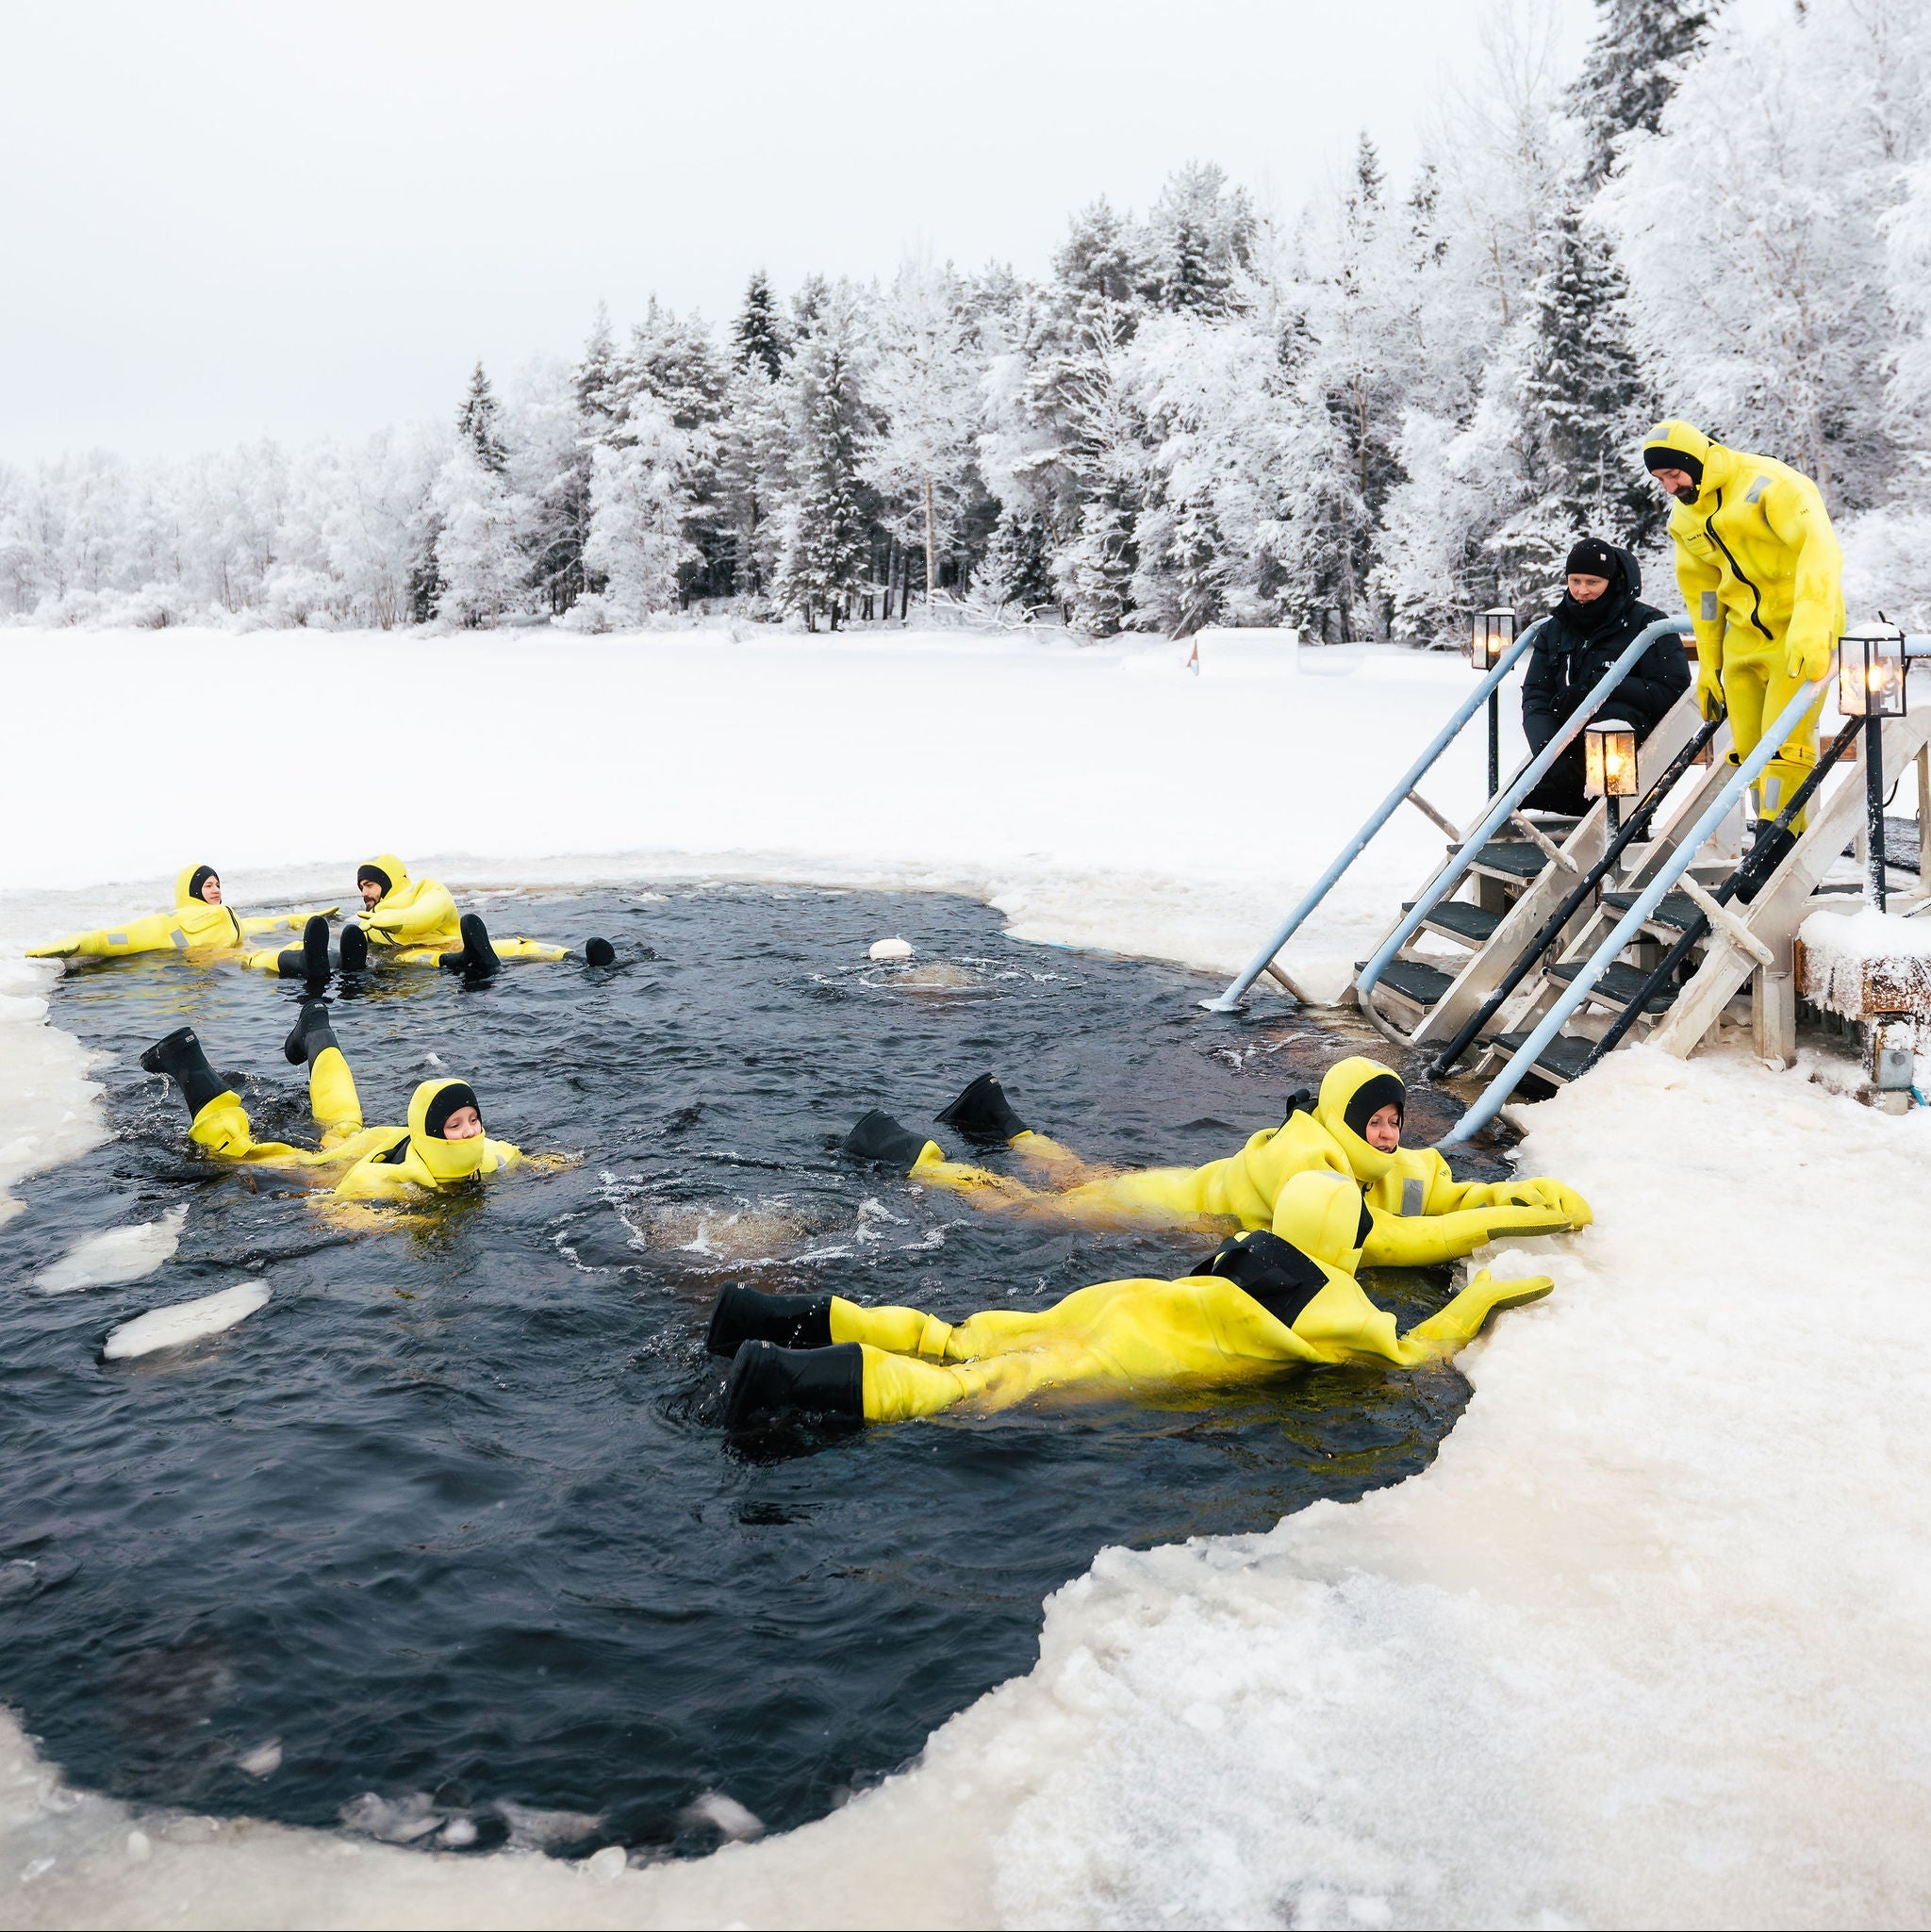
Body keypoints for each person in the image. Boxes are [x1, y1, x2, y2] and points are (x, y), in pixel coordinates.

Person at [708, 1166, 1556, 1425]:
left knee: (962, 1335)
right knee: (984, 1387)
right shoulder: (1345, 1309)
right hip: (1140, 1349)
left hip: (1122, 1301)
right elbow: (1416, 1349)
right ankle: (782, 1378)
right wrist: (1486, 1298)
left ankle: (765, 1314)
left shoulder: (1250, 1245)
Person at [838, 1058, 1589, 1269]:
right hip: (1175, 1207)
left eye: (1397, 1120)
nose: (1391, 1135)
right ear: (1350, 1119)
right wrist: (1492, 1229)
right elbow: (1383, 1242)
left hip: (1195, 1198)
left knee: (1083, 1178)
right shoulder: (1310, 1160)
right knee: (1036, 1209)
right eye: (1379, 1121)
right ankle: (914, 1155)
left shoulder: (1359, 1146)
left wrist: (1512, 1197)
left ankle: (998, 1119)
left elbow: (1436, 1185)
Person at [1642, 420, 1844, 839]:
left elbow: (1819, 549)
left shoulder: (1772, 483)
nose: (1669, 487)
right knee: (1749, 748)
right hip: (1742, 639)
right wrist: (1710, 663)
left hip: (1797, 631)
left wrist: (1810, 621)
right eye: (1660, 480)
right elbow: (1705, 596)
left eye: (1673, 474)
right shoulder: (1685, 517)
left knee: (1786, 743)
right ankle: (1764, 834)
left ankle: (1777, 841)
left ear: (1695, 462)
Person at [139, 1001, 523, 1199]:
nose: (469, 1131)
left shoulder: (486, 1151)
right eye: (454, 1125)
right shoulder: (388, 1179)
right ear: (432, 1131)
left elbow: (517, 1156)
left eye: (473, 1120)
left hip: (379, 1143)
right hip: (338, 1167)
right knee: (237, 1155)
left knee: (344, 1123)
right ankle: (186, 1059)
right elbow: (330, 1208)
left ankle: (317, 1029)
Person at [1519, 537, 1687, 815]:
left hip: (1624, 753)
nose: (1581, 591)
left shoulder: (1649, 624)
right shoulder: (1554, 629)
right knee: (1514, 802)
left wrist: (1601, 687)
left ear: (1611, 581)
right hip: (1564, 746)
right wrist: (1549, 750)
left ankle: (1613, 821)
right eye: (1575, 581)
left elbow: (1671, 690)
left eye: (1592, 582)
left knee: (1613, 718)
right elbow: (1536, 696)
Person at [25, 865, 339, 977]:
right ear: (192, 890)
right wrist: (81, 944)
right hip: (207, 964)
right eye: (208, 885)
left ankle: (333, 958)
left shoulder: (228, 915)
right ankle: (309, 961)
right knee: (254, 960)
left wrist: (302, 917)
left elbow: (263, 924)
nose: (216, 890)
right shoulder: (172, 922)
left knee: (275, 950)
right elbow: (125, 936)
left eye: (218, 884)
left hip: (239, 952)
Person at [348, 853, 614, 974]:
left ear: (389, 880)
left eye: (369, 885)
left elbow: (428, 913)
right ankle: (472, 962)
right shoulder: (369, 919)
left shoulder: (425, 889)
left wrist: (395, 922)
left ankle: (580, 958)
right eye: (362, 887)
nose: (365, 893)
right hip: (427, 954)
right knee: (422, 959)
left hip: (461, 942)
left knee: (517, 947)